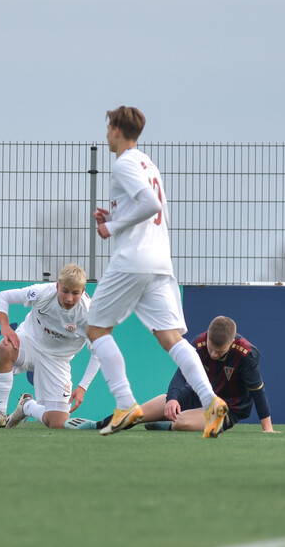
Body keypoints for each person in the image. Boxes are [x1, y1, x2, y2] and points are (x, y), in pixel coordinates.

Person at [85, 106, 229, 438]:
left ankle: (124, 403)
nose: (106, 133)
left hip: (132, 260)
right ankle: (210, 402)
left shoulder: (123, 163)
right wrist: (118, 214)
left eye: (108, 127)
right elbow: (146, 206)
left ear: (118, 130)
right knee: (170, 338)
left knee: (95, 329)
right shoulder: (148, 163)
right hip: (160, 261)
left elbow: (151, 204)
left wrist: (113, 226)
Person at [88, 316, 276, 434]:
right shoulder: (198, 343)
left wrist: (267, 428)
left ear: (230, 342)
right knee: (138, 413)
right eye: (211, 348)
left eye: (220, 351)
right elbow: (181, 374)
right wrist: (172, 399)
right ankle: (96, 425)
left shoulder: (246, 354)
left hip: (226, 409)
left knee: (182, 422)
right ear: (207, 337)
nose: (213, 354)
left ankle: (163, 425)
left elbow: (258, 391)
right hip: (195, 397)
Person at [0, 264, 101, 430]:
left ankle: (27, 406)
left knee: (58, 423)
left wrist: (83, 387)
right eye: (65, 291)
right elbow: (2, 297)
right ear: (57, 285)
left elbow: (99, 352)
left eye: (75, 293)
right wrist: (5, 326)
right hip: (30, 343)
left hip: (57, 360)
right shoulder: (43, 292)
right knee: (5, 346)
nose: (69, 298)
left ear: (83, 290)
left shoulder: (90, 314)